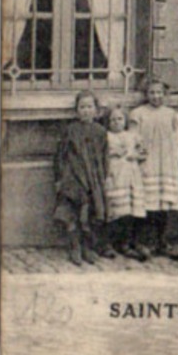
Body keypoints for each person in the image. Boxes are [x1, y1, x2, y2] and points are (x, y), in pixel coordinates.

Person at [53, 91, 110, 267]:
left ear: (96, 110)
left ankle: (87, 247)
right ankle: (74, 247)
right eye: (82, 107)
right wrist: (59, 179)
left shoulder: (100, 131)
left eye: (89, 107)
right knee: (72, 214)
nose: (86, 111)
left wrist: (103, 178)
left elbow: (104, 157)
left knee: (91, 213)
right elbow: (60, 156)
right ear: (77, 110)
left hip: (93, 179)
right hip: (73, 178)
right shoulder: (70, 130)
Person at [130, 76, 178, 256]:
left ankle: (161, 240)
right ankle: (140, 241)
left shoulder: (171, 115)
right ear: (146, 94)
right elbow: (133, 137)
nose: (155, 96)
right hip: (148, 163)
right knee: (144, 202)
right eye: (152, 92)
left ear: (165, 94)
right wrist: (138, 154)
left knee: (162, 204)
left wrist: (175, 158)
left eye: (159, 92)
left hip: (165, 163)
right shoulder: (138, 114)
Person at [104, 104, 150, 261]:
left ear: (125, 120)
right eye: (112, 120)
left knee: (130, 210)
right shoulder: (106, 137)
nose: (116, 122)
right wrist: (112, 153)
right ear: (108, 122)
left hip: (131, 175)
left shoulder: (132, 136)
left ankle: (127, 242)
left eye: (119, 119)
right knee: (115, 210)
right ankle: (110, 242)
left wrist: (135, 155)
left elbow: (144, 152)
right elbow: (101, 154)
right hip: (115, 175)